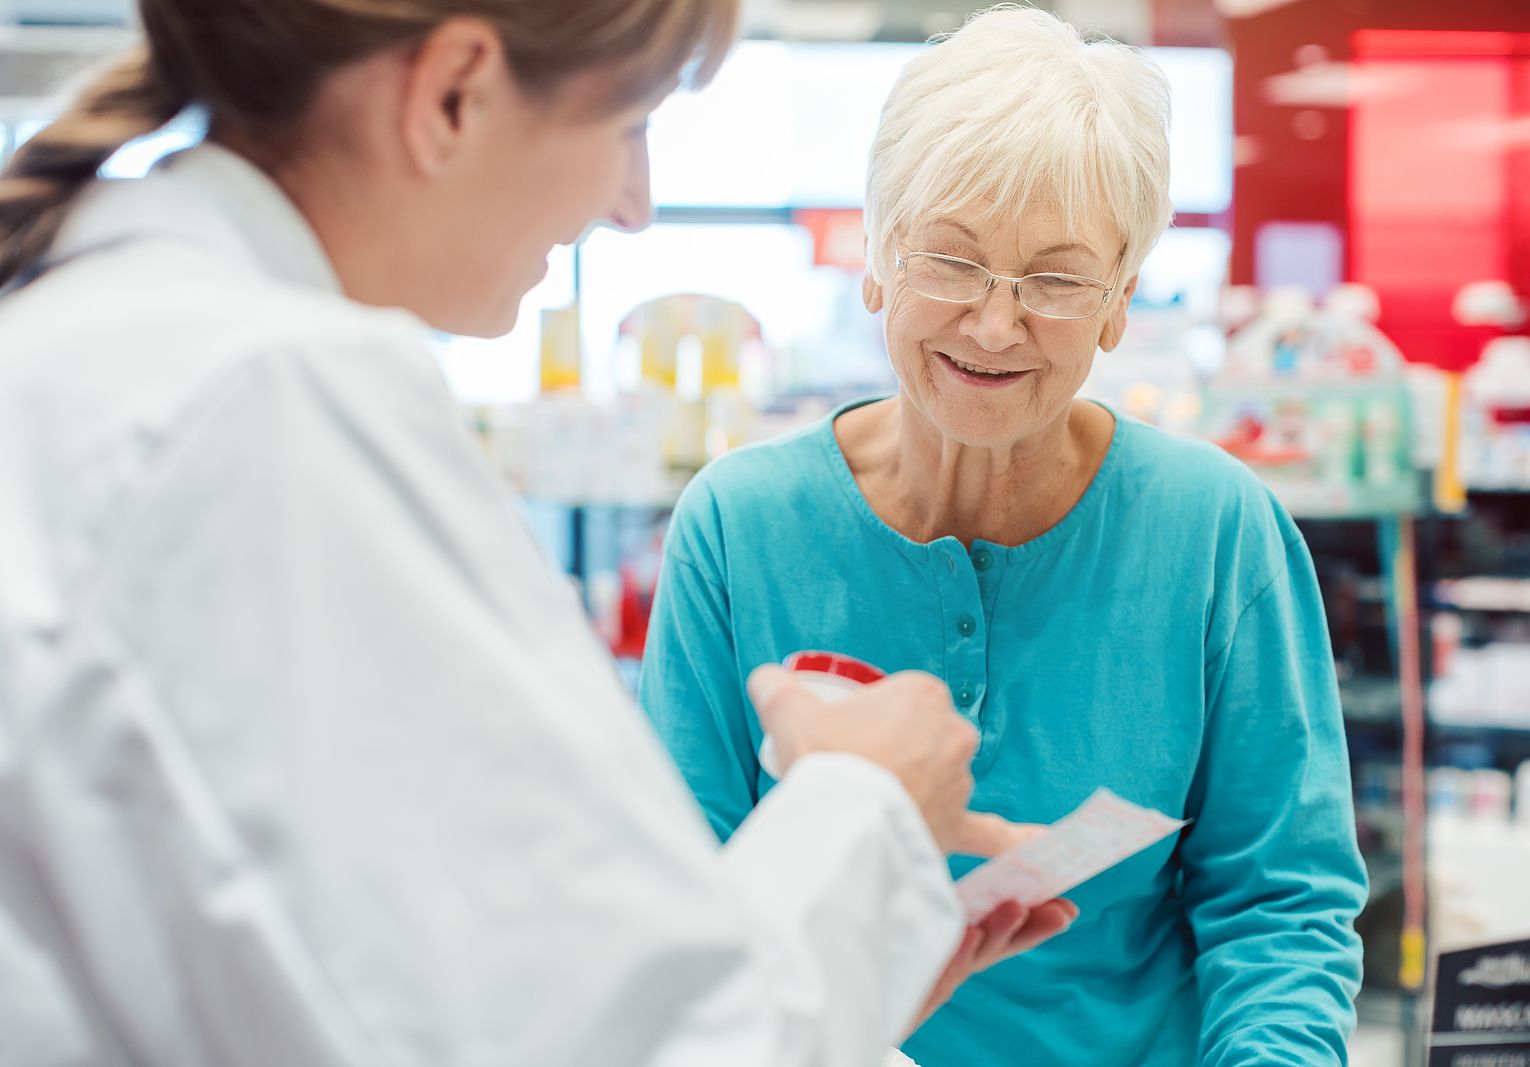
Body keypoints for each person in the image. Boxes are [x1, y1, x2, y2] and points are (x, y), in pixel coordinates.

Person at [0, 2, 1073, 1064]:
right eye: (630, 126)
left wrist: (838, 966)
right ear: (455, 93)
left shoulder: (121, 341)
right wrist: (867, 802)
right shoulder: (267, 398)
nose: (635, 206)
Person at [640, 7, 1370, 1066]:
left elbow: (1279, 903)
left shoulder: (1214, 528)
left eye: (1057, 280)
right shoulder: (741, 524)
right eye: (951, 261)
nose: (993, 323)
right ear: (877, 260)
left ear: (1120, 302)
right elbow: (685, 885)